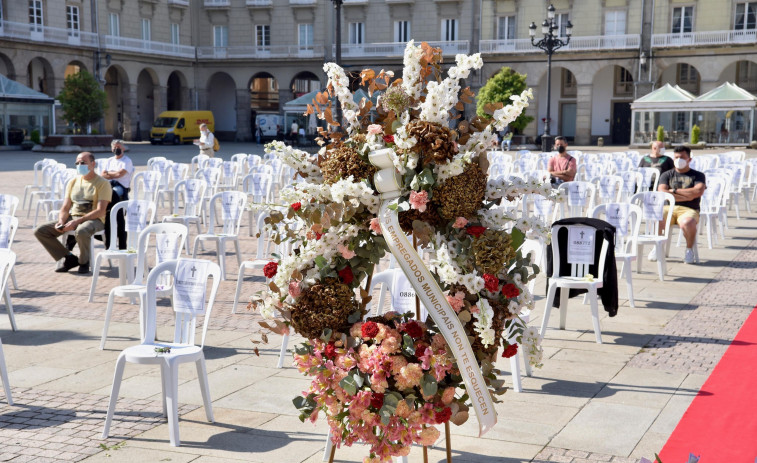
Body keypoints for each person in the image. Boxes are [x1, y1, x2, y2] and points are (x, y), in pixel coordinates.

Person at [34, 152, 112, 274]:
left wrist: (77, 222)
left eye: (83, 163)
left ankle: (84, 262)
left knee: (81, 230)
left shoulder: (103, 183)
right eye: (77, 163)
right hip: (73, 217)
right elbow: (65, 207)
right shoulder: (73, 182)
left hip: (95, 220)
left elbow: (100, 210)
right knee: (40, 231)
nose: (80, 165)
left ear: (93, 164)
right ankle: (69, 257)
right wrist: (61, 221)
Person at [653, 145, 706, 264]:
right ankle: (657, 247)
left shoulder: (698, 175)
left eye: (682, 157)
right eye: (676, 157)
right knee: (657, 217)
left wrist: (674, 191)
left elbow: (698, 191)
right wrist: (688, 194)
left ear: (689, 159)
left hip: (689, 209)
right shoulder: (666, 175)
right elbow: (662, 192)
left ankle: (689, 250)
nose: (679, 160)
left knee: (687, 223)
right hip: (669, 208)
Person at [100, 139, 134, 250]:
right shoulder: (109, 160)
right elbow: (102, 174)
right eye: (114, 147)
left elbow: (121, 174)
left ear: (123, 148)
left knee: (113, 194)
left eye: (118, 147)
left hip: (121, 187)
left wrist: (110, 174)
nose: (116, 149)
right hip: (108, 185)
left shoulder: (127, 161)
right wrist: (113, 174)